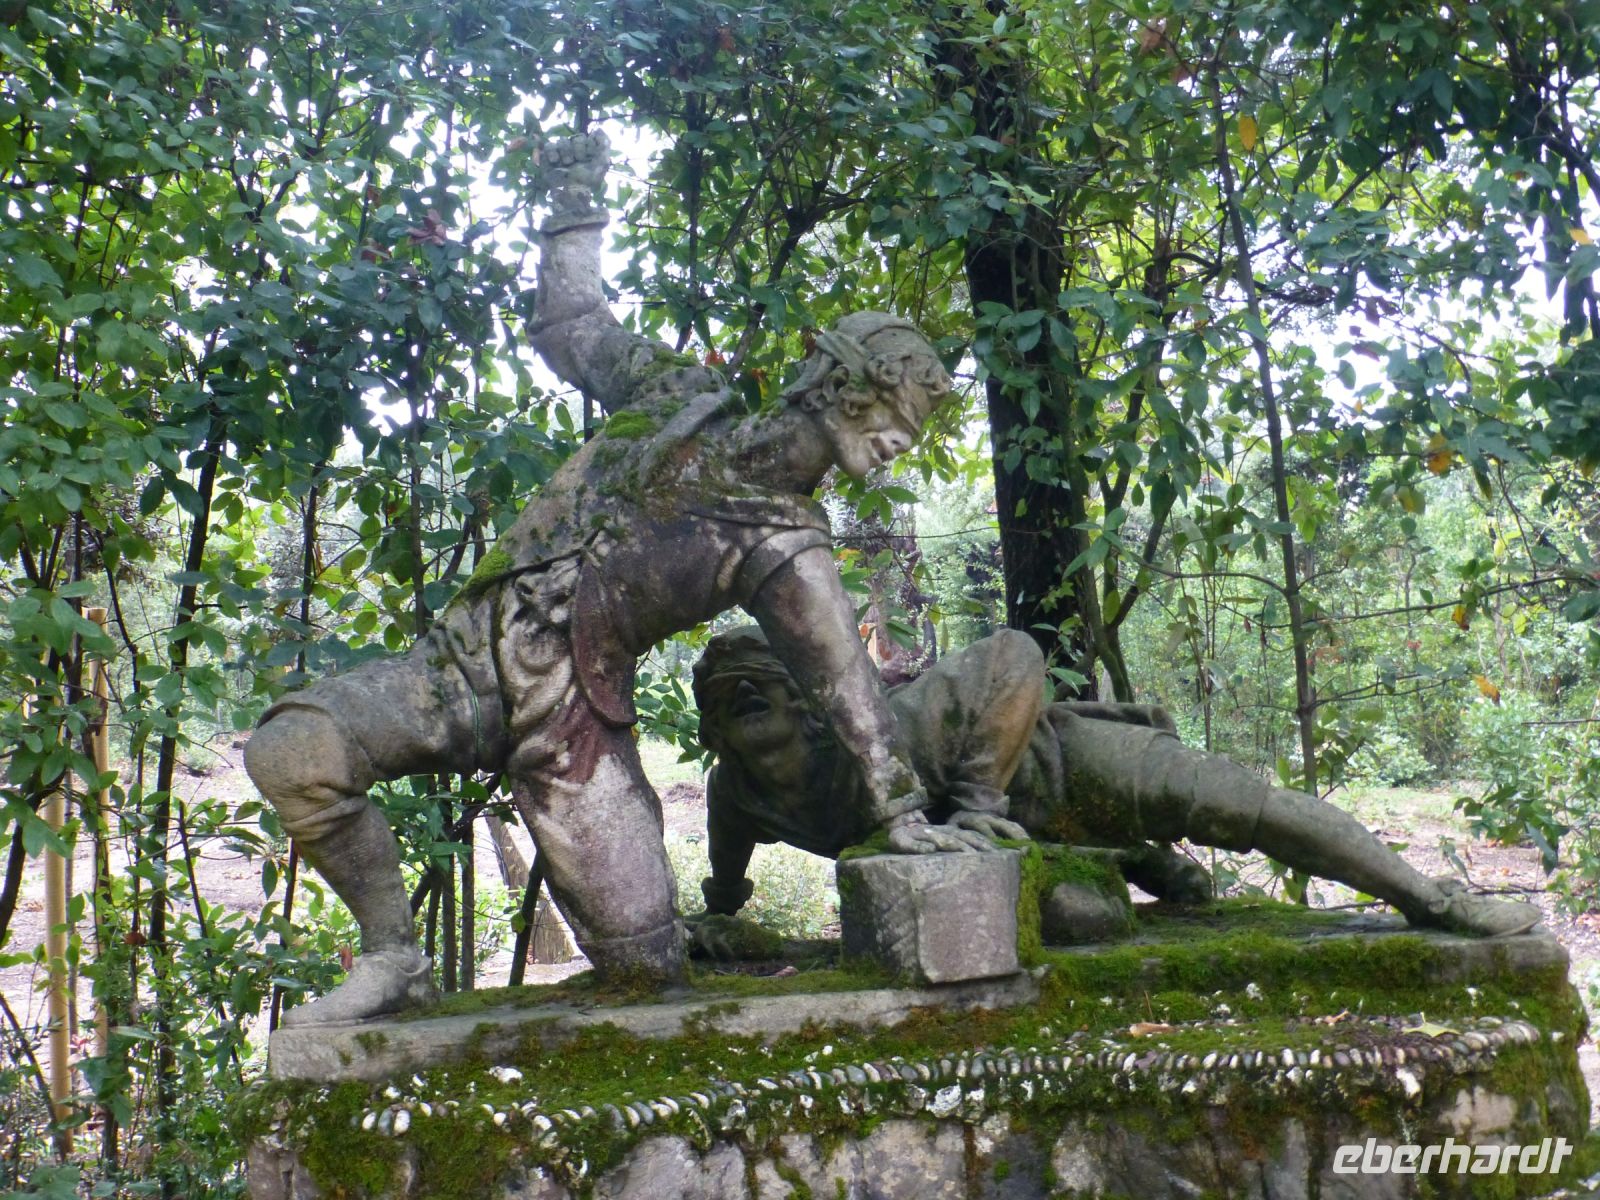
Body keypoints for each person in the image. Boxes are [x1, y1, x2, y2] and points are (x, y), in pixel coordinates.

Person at [244, 131, 989, 1026]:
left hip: (573, 728)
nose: (897, 448)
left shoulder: (787, 544)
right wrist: (573, 205)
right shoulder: (679, 398)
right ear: (843, 385)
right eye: (898, 421)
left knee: (646, 973)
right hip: (458, 666)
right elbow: (574, 328)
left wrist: (902, 811)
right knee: (293, 751)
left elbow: (845, 684)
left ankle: (719, 945)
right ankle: (392, 956)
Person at [689, 625, 1542, 939]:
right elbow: (726, 886)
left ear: (813, 703)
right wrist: (715, 924)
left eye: (762, 684)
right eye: (726, 699)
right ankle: (1128, 860)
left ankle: (1431, 899)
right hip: (1025, 852)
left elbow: (1015, 653)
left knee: (1243, 807)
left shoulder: (887, 735)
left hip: (1063, 765)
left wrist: (979, 802)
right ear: (713, 733)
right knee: (1078, 915)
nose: (747, 702)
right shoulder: (739, 797)